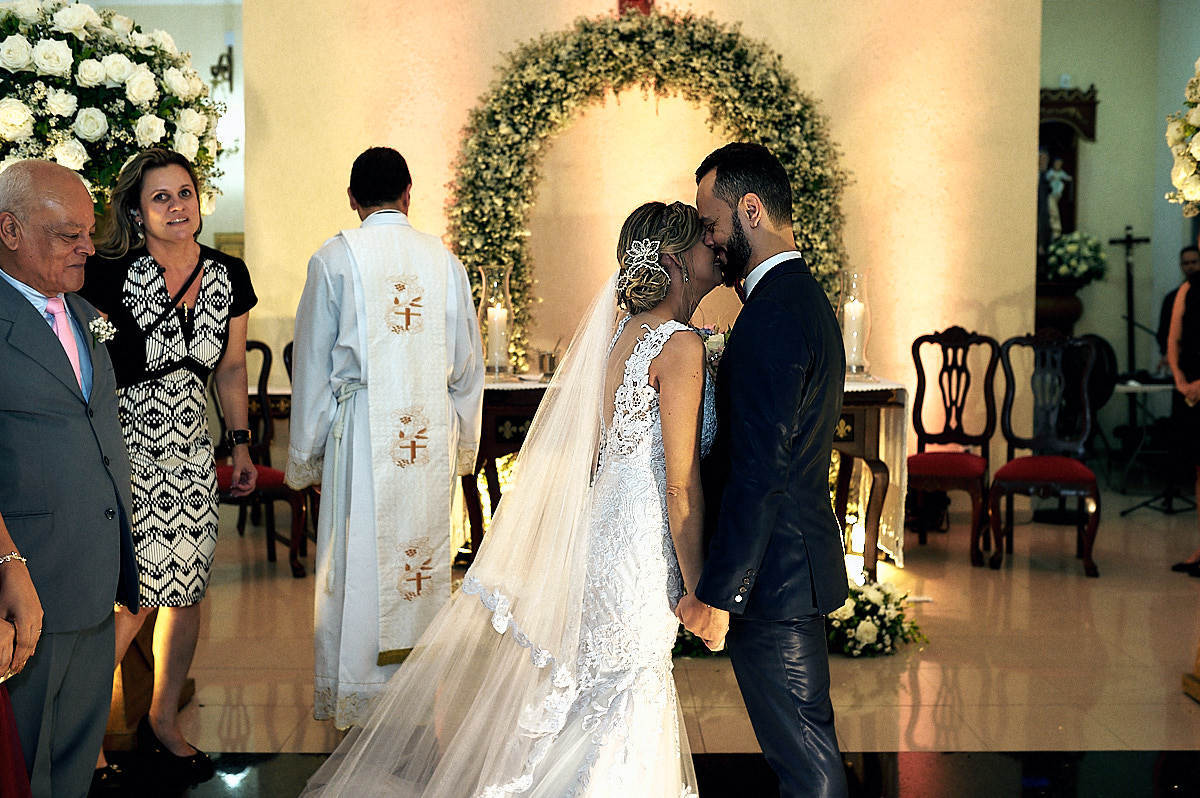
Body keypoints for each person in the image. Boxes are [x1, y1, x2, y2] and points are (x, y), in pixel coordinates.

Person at [298, 199, 723, 796]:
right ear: (677, 263)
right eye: (705, 245)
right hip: (640, 553)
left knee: (596, 689)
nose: (717, 251)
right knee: (629, 688)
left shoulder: (615, 336)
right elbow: (680, 484)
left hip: (600, 538)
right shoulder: (680, 348)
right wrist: (702, 592)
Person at [285, 147, 485, 730]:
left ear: (352, 199)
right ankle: (419, 698)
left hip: (361, 437)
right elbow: (467, 367)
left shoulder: (333, 258)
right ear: (408, 193)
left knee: (358, 560)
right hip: (424, 436)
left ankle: (359, 694)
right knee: (419, 562)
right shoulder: (444, 261)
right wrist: (461, 445)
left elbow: (314, 371)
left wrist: (308, 456)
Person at [80, 148, 258, 787]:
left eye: (185, 193)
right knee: (132, 594)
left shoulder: (228, 273)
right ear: (136, 209)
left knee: (186, 592)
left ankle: (162, 723)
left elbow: (231, 369)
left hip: (191, 440)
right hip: (127, 440)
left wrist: (238, 445)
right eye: (161, 197)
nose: (177, 206)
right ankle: (90, 741)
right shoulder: (105, 274)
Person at [684, 142, 850, 798]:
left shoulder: (774, 316)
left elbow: (761, 471)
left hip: (775, 584)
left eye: (713, 222)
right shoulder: (795, 299)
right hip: (787, 572)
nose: (711, 239)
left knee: (807, 769)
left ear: (750, 210)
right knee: (805, 755)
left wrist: (721, 593)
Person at [0, 160, 140, 798]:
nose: (89, 246)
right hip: (26, 586)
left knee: (73, 759)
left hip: (92, 580)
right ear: (10, 230)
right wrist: (8, 565)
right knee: (22, 767)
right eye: (68, 235)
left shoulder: (83, 313)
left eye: (89, 230)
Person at [1167, 253, 1200, 577]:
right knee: (1198, 472)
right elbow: (1173, 338)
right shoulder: (1188, 289)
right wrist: (1179, 377)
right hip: (1189, 388)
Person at [1156, 246, 1200, 365]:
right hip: (1184, 360)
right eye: (1186, 263)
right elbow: (1164, 330)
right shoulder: (1172, 298)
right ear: (1181, 266)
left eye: (1194, 262)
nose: (1190, 266)